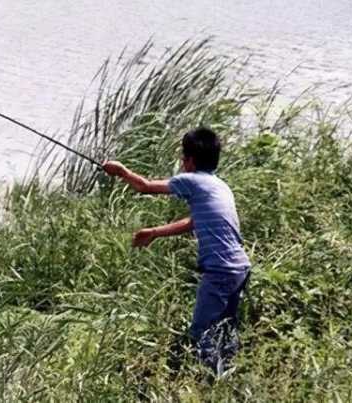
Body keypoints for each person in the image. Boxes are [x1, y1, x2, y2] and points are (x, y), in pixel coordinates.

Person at [102, 127, 251, 373]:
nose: (182, 163)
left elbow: (146, 187)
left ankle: (208, 382)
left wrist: (119, 171)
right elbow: (193, 222)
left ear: (190, 161)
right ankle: (229, 375)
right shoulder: (219, 186)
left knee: (201, 332)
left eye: (183, 158)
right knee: (226, 329)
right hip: (240, 269)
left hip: (219, 271)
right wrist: (154, 232)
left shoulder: (190, 180)